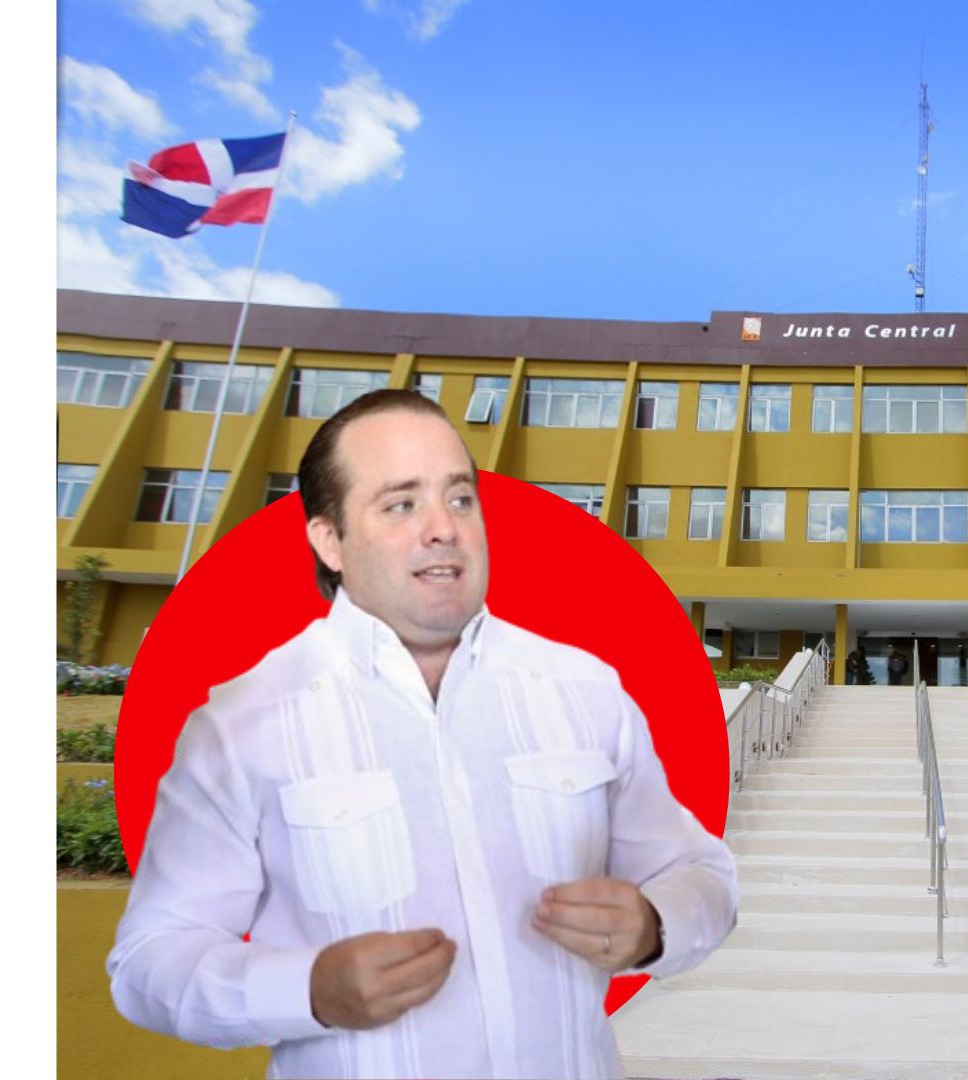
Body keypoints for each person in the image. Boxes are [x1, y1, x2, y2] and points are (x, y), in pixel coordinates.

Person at [107, 389, 738, 1079]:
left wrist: (654, 925)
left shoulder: (585, 689)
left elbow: (702, 875)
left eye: (460, 498)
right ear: (329, 539)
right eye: (401, 504)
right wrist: (307, 990)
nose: (444, 528)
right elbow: (150, 959)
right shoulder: (241, 725)